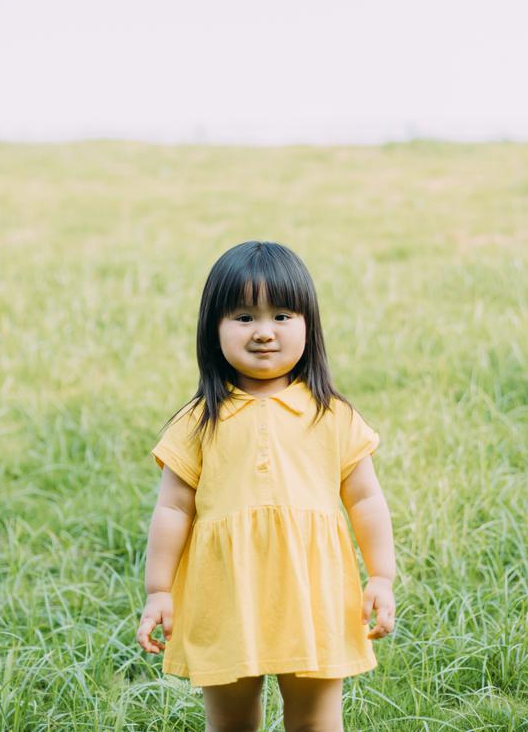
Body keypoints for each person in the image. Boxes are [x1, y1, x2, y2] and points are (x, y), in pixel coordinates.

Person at [136, 240, 397, 731]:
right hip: (225, 594)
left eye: (281, 316)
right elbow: (173, 509)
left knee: (316, 722)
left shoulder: (331, 414)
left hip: (313, 593)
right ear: (212, 328)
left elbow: (365, 498)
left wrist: (380, 576)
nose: (263, 332)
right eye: (243, 317)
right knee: (231, 723)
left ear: (308, 325)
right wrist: (159, 591)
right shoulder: (199, 421)